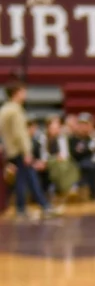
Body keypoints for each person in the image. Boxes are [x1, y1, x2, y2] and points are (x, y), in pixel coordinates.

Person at [0, 82, 59, 219]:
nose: (25, 94)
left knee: (24, 178)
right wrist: (26, 151)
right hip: (19, 150)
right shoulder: (15, 110)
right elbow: (20, 133)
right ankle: (41, 206)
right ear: (17, 92)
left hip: (11, 149)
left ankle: (31, 207)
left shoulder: (5, 109)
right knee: (27, 178)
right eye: (23, 91)